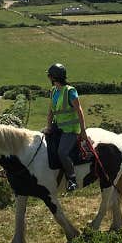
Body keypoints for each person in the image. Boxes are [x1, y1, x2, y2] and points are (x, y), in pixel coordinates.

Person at [45, 63, 87, 192]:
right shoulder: (53, 91)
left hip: (70, 130)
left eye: (49, 75)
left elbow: (79, 111)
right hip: (57, 127)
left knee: (62, 152)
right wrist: (48, 127)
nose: (48, 78)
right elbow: (51, 111)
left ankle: (72, 179)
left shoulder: (70, 91)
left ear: (53, 77)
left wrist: (83, 131)